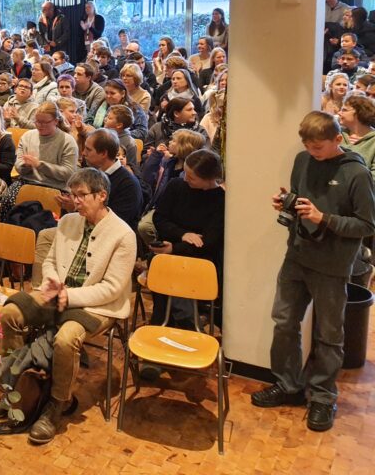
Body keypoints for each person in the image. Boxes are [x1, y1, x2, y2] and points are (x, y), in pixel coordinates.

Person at [0, 167, 135, 445]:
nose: (74, 200)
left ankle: (56, 404)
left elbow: (112, 288)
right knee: (10, 313)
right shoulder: (68, 221)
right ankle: (14, 390)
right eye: (72, 194)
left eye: (81, 195)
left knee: (66, 339)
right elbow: (51, 261)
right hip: (58, 293)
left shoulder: (123, 235)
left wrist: (70, 296)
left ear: (101, 196)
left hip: (97, 305)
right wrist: (52, 281)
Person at [251, 111, 375, 432]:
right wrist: (287, 204)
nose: (311, 152)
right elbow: (302, 202)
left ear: (338, 139)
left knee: (328, 335)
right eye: (307, 145)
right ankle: (288, 385)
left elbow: (366, 225)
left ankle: (322, 396)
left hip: (332, 265)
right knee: (284, 322)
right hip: (297, 256)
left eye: (318, 147)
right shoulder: (302, 160)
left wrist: (324, 218)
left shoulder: (356, 173)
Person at [147, 148, 225, 330]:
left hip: (199, 258)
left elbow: (209, 243)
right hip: (169, 250)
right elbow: (159, 218)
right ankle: (187, 324)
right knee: (163, 264)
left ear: (209, 179)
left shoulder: (220, 200)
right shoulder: (176, 186)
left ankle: (168, 323)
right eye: (185, 173)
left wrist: (174, 248)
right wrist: (183, 234)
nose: (185, 179)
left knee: (175, 269)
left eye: (191, 177)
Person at [340, 95, 375, 178]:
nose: (339, 113)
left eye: (344, 110)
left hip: (362, 185)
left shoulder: (373, 140)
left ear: (359, 113)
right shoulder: (337, 133)